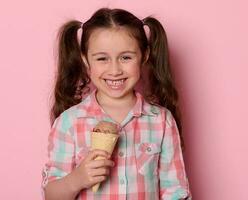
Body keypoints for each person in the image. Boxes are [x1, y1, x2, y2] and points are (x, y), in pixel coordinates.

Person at [41, 7, 191, 200]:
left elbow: (175, 191)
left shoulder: (162, 121)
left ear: (144, 56)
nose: (115, 70)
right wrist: (77, 179)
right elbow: (51, 195)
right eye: (102, 58)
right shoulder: (69, 122)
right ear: (85, 59)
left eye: (126, 57)